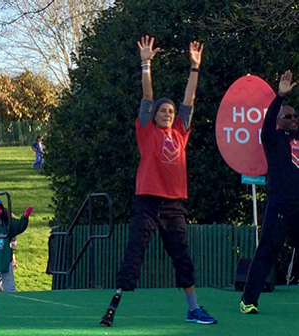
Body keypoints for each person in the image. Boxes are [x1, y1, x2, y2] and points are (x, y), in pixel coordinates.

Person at [100, 35, 216, 326]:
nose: (167, 113)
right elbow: (148, 96)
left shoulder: (181, 132)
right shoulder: (146, 131)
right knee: (135, 250)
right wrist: (145, 63)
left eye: (171, 111)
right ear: (154, 116)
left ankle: (193, 309)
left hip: (174, 205)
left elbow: (188, 99)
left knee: (182, 258)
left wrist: (194, 67)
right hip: (147, 203)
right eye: (163, 111)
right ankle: (116, 298)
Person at [240, 70, 299, 314]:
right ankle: (248, 300)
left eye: (296, 116)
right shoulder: (272, 138)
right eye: (288, 116)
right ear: (278, 120)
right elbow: (267, 123)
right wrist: (280, 97)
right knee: (266, 251)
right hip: (278, 204)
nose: (293, 119)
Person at [0, 199, 33, 293]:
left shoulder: (6, 222)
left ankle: (12, 303)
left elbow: (17, 226)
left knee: (9, 285)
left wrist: (25, 217)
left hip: (5, 256)